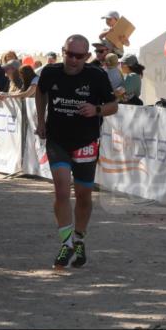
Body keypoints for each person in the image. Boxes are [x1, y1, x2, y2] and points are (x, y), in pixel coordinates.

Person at [35, 34, 118, 269]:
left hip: (86, 142)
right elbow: (40, 92)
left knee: (83, 196)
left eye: (79, 56)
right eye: (69, 54)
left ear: (87, 57)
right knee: (61, 191)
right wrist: (41, 120)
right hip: (57, 140)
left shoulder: (96, 76)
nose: (73, 60)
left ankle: (79, 238)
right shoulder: (50, 72)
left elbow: (114, 106)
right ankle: (66, 243)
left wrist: (97, 109)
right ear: (63, 51)